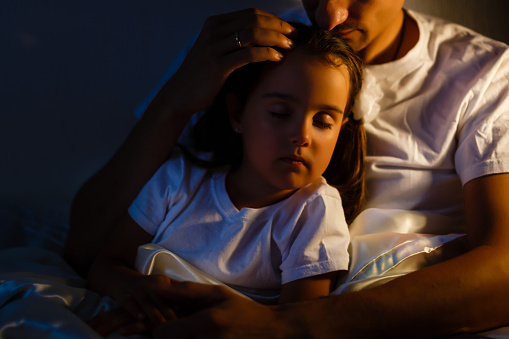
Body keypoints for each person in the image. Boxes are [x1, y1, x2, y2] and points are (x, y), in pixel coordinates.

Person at [65, 1, 509, 338]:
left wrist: (284, 327)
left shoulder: (485, 75)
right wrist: (177, 99)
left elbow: (503, 272)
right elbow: (87, 248)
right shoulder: (242, 50)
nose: (330, 14)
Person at [86, 23, 366, 336]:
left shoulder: (315, 213)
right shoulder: (178, 180)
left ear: (340, 132)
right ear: (237, 114)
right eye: (280, 112)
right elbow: (104, 265)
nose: (302, 135)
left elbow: (294, 324)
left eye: (323, 122)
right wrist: (134, 291)